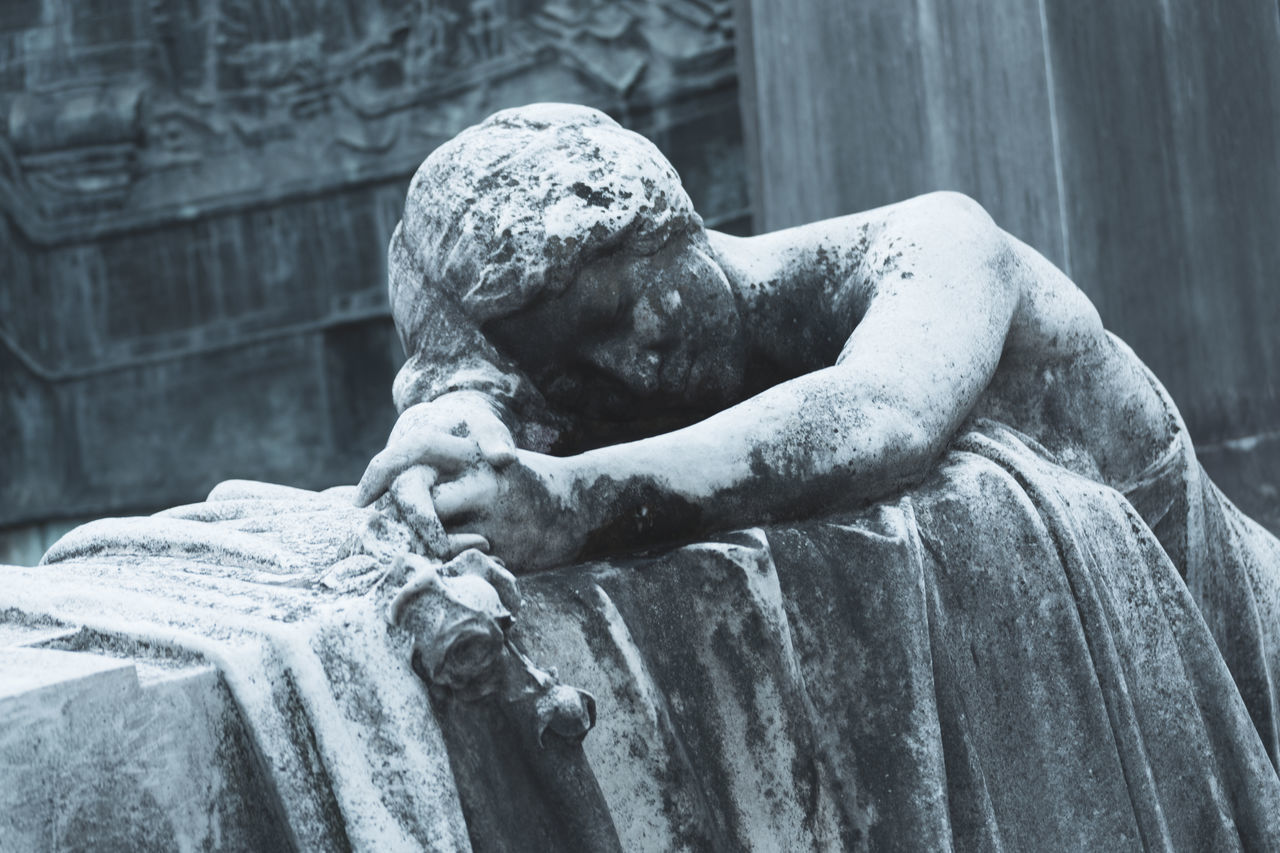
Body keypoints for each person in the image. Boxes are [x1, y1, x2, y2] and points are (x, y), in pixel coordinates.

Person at [356, 102, 1280, 771]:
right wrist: (457, 436)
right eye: (576, 366)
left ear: (677, 227)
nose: (631, 369)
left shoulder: (936, 245)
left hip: (1243, 634)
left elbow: (881, 413)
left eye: (631, 312)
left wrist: (580, 501)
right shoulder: (610, 383)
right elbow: (460, 394)